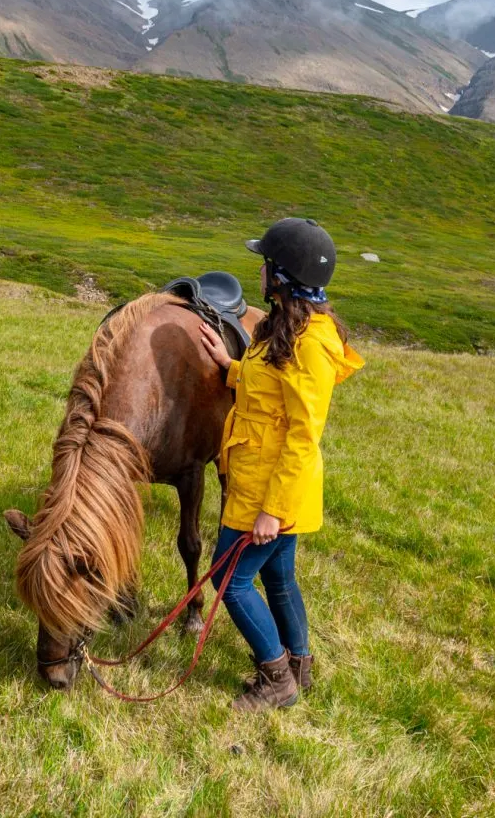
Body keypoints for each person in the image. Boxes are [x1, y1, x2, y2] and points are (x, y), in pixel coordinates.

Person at [200, 217, 364, 713]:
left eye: (266, 265)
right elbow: (270, 393)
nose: (261, 273)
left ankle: (276, 680)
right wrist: (231, 369)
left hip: (269, 489)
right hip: (263, 479)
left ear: (283, 275)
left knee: (228, 582)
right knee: (279, 578)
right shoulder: (286, 327)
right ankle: (299, 665)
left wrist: (272, 510)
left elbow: (301, 434)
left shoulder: (311, 346)